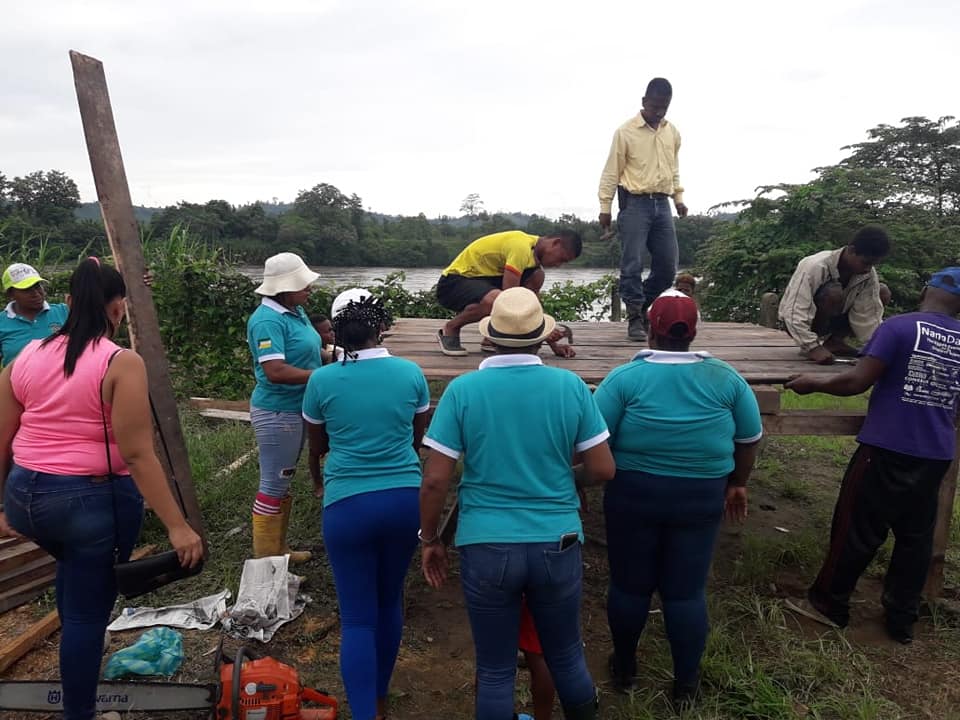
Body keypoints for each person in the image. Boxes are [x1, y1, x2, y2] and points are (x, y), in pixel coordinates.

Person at [0, 258, 203, 720]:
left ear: (68, 302)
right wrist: (177, 526)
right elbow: (138, 454)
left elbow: (2, 438)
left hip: (25, 497)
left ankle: (75, 643)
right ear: (118, 307)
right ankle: (79, 713)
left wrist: (2, 507)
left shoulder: (25, 356)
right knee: (87, 616)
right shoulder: (119, 362)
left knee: (73, 574)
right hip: (86, 502)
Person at [420, 287, 616, 720]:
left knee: (494, 669)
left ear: (489, 336)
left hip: (486, 544)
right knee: (566, 655)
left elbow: (435, 480)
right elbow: (603, 469)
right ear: (542, 337)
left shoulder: (463, 390)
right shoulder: (570, 386)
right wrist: (564, 479)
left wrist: (430, 539)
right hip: (557, 540)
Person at [593, 292, 762, 707]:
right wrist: (738, 483)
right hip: (701, 495)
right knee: (685, 593)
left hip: (634, 492)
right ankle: (686, 685)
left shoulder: (624, 379)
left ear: (651, 330)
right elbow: (748, 438)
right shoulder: (726, 379)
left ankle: (625, 669)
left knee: (629, 586)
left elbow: (595, 438)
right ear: (694, 332)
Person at [784, 267, 960, 644]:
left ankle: (828, 604)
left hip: (886, 448)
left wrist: (812, 383)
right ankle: (901, 618)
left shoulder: (899, 327)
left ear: (926, 290)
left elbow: (856, 381)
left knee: (856, 529)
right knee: (915, 538)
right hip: (936, 454)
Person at [302, 289, 430, 720]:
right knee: (389, 601)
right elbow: (415, 438)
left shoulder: (322, 380)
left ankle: (365, 714)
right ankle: (379, 699)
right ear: (382, 327)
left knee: (357, 619)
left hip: (347, 506)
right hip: (404, 500)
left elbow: (317, 445)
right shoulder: (410, 373)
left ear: (337, 331)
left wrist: (319, 482)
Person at [246, 252, 322, 563]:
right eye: (303, 284)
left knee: (282, 478)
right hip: (278, 412)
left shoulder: (295, 311)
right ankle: (267, 562)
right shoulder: (267, 321)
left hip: (296, 408)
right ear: (285, 288)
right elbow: (275, 371)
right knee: (273, 481)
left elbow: (307, 351)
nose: (309, 289)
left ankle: (279, 550)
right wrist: (322, 376)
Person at [598, 77, 687, 342]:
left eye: (664, 107)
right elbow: (611, 171)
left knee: (668, 266)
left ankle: (644, 306)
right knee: (633, 263)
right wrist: (605, 207)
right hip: (634, 203)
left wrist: (678, 198)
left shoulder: (672, 132)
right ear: (644, 101)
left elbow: (673, 168)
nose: (659, 112)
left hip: (663, 203)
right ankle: (635, 318)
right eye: (655, 106)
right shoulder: (625, 132)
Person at [435, 229, 582, 357]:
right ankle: (451, 328)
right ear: (555, 243)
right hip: (453, 283)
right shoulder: (521, 247)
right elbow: (509, 300)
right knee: (497, 300)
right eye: (561, 259)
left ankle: (492, 338)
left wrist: (554, 345)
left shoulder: (532, 257)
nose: (558, 265)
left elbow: (532, 305)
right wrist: (545, 334)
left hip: (484, 281)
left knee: (537, 275)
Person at [778, 226, 891, 364]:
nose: (868, 269)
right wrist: (812, 347)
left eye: (873, 264)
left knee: (882, 291)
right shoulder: (815, 265)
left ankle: (835, 342)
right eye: (865, 263)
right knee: (833, 292)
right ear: (851, 250)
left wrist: (877, 349)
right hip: (799, 323)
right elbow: (793, 311)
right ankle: (813, 343)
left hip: (833, 319)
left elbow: (868, 314)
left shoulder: (868, 274)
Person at [1, 263, 69, 367]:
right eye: (26, 289)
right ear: (10, 294)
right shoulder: (2, 323)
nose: (36, 293)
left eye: (37, 286)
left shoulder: (64, 312)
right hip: (18, 378)